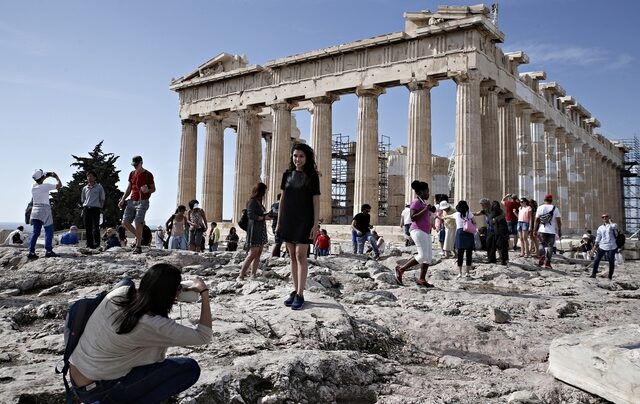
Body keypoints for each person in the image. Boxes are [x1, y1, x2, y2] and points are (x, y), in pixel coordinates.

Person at [68, 263, 212, 403]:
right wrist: (204, 293)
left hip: (76, 377)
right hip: (101, 389)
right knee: (189, 368)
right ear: (169, 295)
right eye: (177, 288)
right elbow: (204, 336)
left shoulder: (119, 294)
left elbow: (149, 294)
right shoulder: (154, 325)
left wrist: (172, 292)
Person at [276, 143, 321, 310]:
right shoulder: (287, 174)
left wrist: (315, 225)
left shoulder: (312, 176)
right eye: (295, 156)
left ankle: (301, 293)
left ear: (306, 158)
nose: (298, 159)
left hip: (305, 218)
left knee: (300, 255)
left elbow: (316, 201)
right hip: (288, 218)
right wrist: (279, 222)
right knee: (291, 256)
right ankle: (294, 290)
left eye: (301, 156)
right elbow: (282, 199)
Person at [394, 180, 437, 287]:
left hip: (425, 231)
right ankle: (401, 269)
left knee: (428, 258)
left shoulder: (423, 202)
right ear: (422, 192)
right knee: (422, 256)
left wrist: (429, 209)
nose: (428, 193)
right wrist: (425, 210)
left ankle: (422, 279)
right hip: (417, 230)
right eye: (427, 191)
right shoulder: (416, 202)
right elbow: (413, 217)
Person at [118, 156, 155, 254]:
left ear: (141, 163)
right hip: (132, 200)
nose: (135, 166)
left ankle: (138, 246)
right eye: (133, 165)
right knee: (125, 222)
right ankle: (140, 237)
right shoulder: (132, 174)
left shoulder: (148, 174)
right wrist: (122, 199)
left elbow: (153, 188)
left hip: (143, 201)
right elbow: (129, 188)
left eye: (136, 164)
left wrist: (148, 190)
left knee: (138, 221)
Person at [28, 169, 62, 259]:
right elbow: (60, 185)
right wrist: (56, 177)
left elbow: (40, 179)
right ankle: (48, 251)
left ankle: (31, 252)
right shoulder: (46, 186)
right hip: (44, 210)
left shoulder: (33, 186)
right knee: (49, 231)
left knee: (35, 232)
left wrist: (47, 175)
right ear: (42, 177)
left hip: (35, 210)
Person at [238, 182, 269, 280]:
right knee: (252, 253)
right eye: (263, 191)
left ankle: (253, 275)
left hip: (261, 230)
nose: (265, 193)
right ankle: (241, 275)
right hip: (254, 230)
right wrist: (262, 218)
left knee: (258, 253)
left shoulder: (259, 203)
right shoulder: (252, 202)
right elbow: (251, 215)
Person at [533, 194, 562, 269]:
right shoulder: (555, 208)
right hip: (551, 231)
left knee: (541, 244)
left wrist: (535, 230)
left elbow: (537, 220)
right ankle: (548, 262)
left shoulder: (540, 208)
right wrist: (559, 230)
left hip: (542, 230)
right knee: (550, 246)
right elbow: (558, 221)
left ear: (544, 200)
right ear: (551, 200)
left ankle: (542, 257)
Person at [80, 171, 105, 249]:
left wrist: (100, 207)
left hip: (95, 209)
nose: (89, 178)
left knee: (96, 227)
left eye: (91, 176)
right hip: (86, 209)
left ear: (95, 178)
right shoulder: (85, 188)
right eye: (88, 176)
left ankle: (97, 244)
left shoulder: (99, 187)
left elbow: (102, 199)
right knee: (88, 227)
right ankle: (89, 244)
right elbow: (83, 199)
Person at [590, 213, 618, 280]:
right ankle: (593, 274)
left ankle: (610, 276)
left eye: (606, 217)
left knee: (611, 261)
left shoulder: (612, 225)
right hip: (602, 245)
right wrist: (594, 248)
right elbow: (598, 237)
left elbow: (615, 227)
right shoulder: (600, 227)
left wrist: (611, 222)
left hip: (611, 245)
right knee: (596, 260)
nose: (604, 218)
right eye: (603, 217)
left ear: (609, 217)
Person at [453, 200, 475, 279]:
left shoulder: (456, 214)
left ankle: (460, 273)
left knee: (460, 254)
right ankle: (467, 273)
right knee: (469, 254)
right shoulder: (469, 213)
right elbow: (474, 222)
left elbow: (448, 217)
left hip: (460, 233)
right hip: (468, 232)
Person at [487, 200, 509, 265]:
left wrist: (495, 219)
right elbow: (492, 221)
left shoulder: (498, 212)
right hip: (497, 231)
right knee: (498, 246)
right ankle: (497, 259)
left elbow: (493, 221)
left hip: (500, 232)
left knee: (501, 246)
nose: (495, 206)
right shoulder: (497, 212)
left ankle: (503, 260)